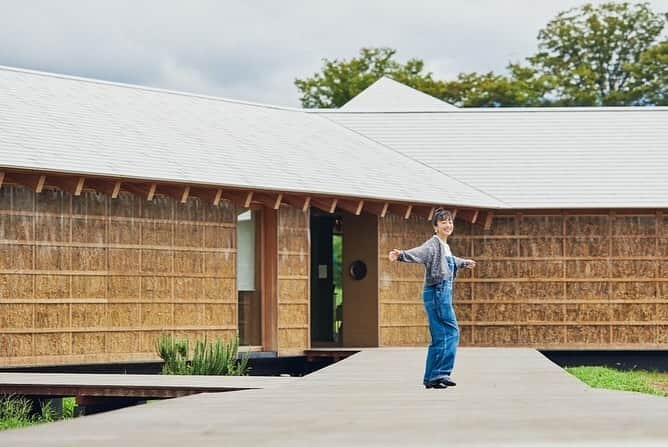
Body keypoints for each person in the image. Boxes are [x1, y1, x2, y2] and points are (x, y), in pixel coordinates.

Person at [388, 208, 476, 389]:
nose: (448, 225)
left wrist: (464, 262)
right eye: (443, 222)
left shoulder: (444, 246)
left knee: (439, 335)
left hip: (437, 293)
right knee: (451, 332)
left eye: (450, 222)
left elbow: (449, 261)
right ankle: (440, 373)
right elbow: (420, 253)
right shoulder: (433, 244)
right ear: (435, 227)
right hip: (438, 292)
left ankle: (432, 377)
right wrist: (402, 255)